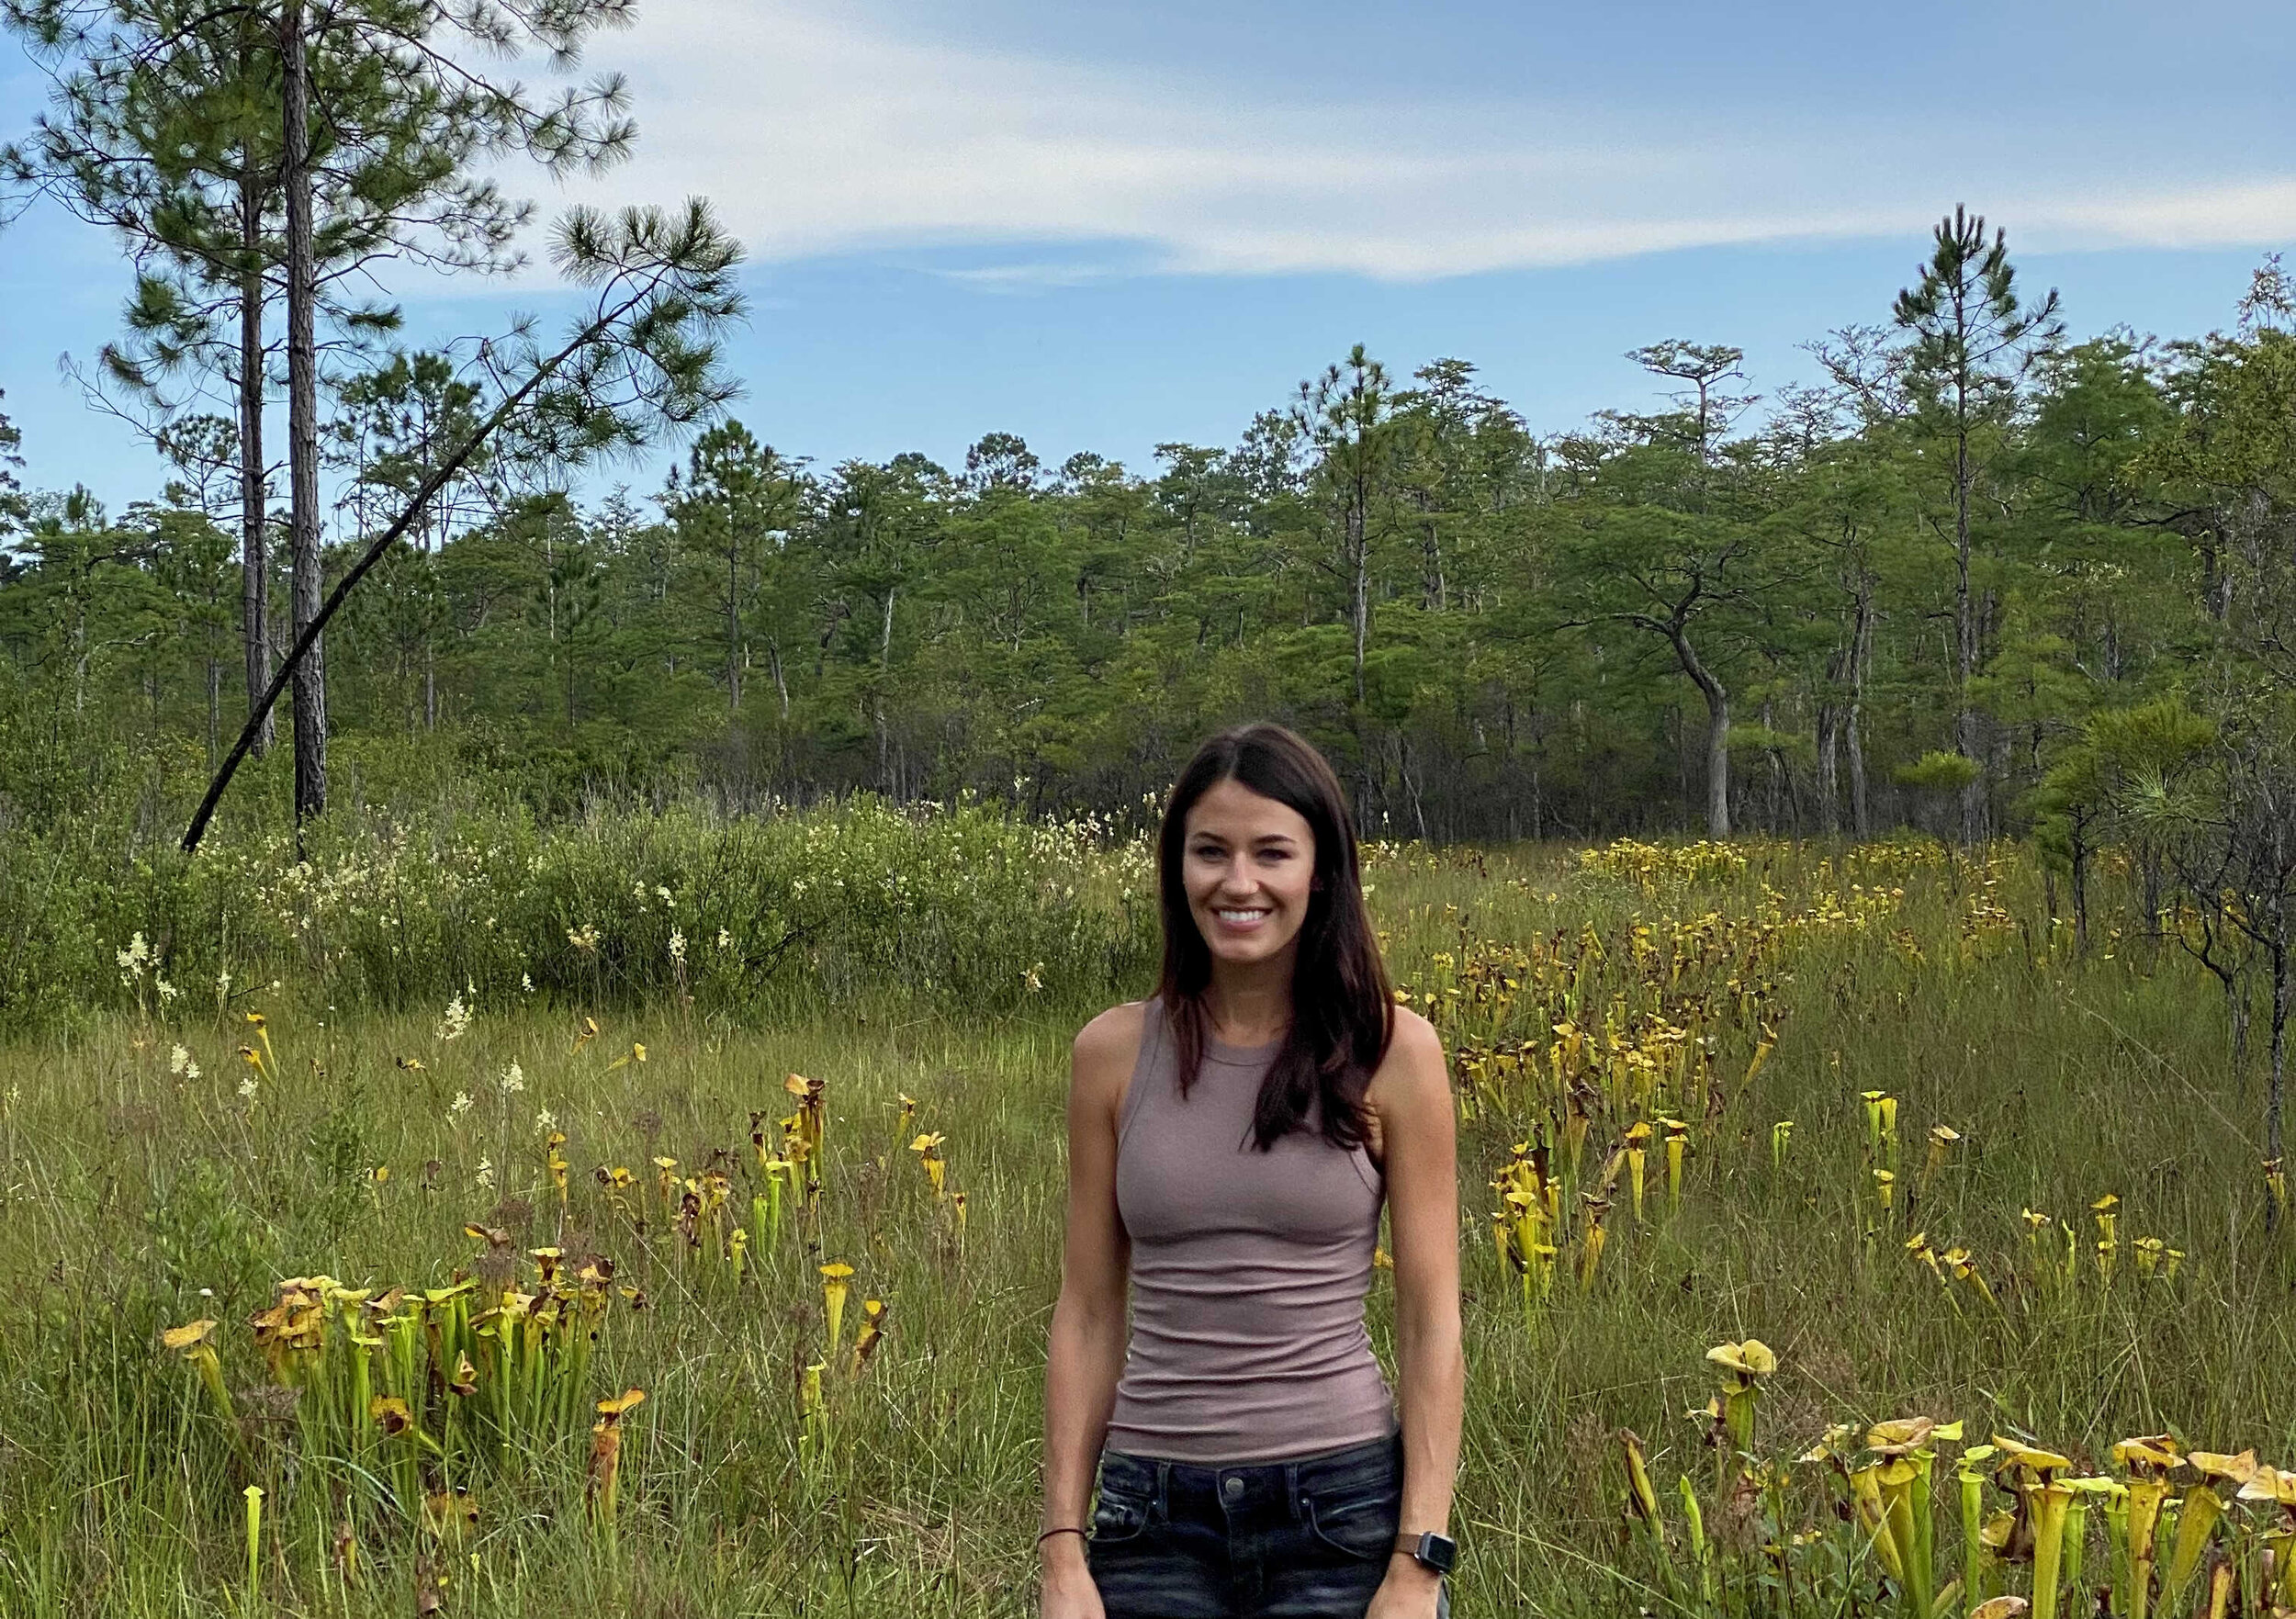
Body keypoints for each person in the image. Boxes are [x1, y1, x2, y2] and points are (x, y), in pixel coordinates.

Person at [1038, 723, 1463, 1619]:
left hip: (1339, 1513)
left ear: (1322, 871)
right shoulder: (1112, 1054)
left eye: (1271, 851)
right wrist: (1062, 1551)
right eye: (1209, 851)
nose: (1238, 882)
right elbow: (1085, 1311)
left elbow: (1431, 1323)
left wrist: (1416, 1560)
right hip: (1148, 1519)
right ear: (1175, 867)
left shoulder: (1394, 1051)